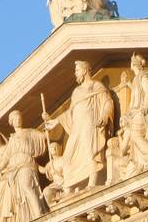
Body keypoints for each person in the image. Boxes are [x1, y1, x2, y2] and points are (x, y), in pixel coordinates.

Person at [45, 59, 115, 193]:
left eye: (77, 71)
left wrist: (104, 116)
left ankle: (92, 182)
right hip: (77, 126)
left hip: (90, 123)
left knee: (90, 152)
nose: (75, 74)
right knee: (68, 158)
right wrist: (56, 121)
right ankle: (69, 188)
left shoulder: (96, 86)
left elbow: (107, 102)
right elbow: (70, 112)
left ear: (84, 70)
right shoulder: (76, 91)